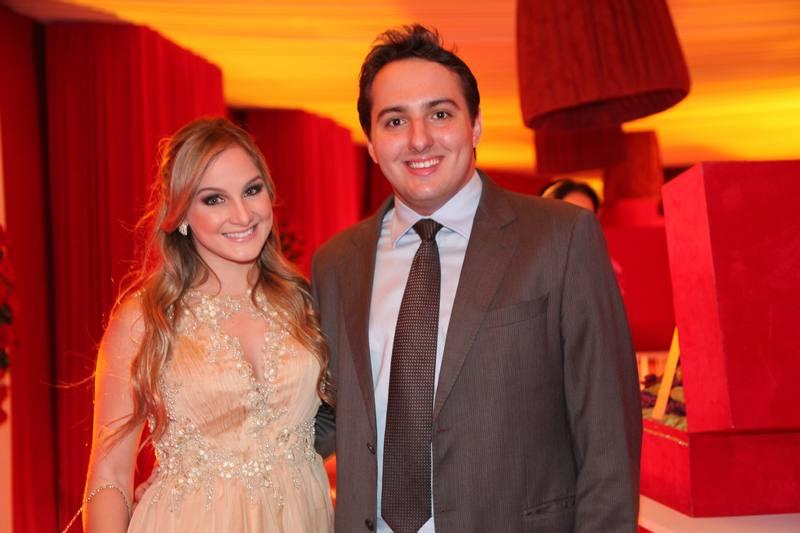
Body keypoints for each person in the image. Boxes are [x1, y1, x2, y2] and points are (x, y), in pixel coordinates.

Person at [312, 25, 642, 532]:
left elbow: (607, 436)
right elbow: (325, 418)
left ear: (476, 126)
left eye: (440, 114)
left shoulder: (561, 239)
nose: (419, 138)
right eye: (395, 120)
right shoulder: (336, 264)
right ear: (372, 144)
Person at [78, 118, 333, 532]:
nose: (242, 214)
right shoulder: (146, 319)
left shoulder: (305, 304)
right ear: (181, 214)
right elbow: (110, 476)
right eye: (214, 199)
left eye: (252, 190)